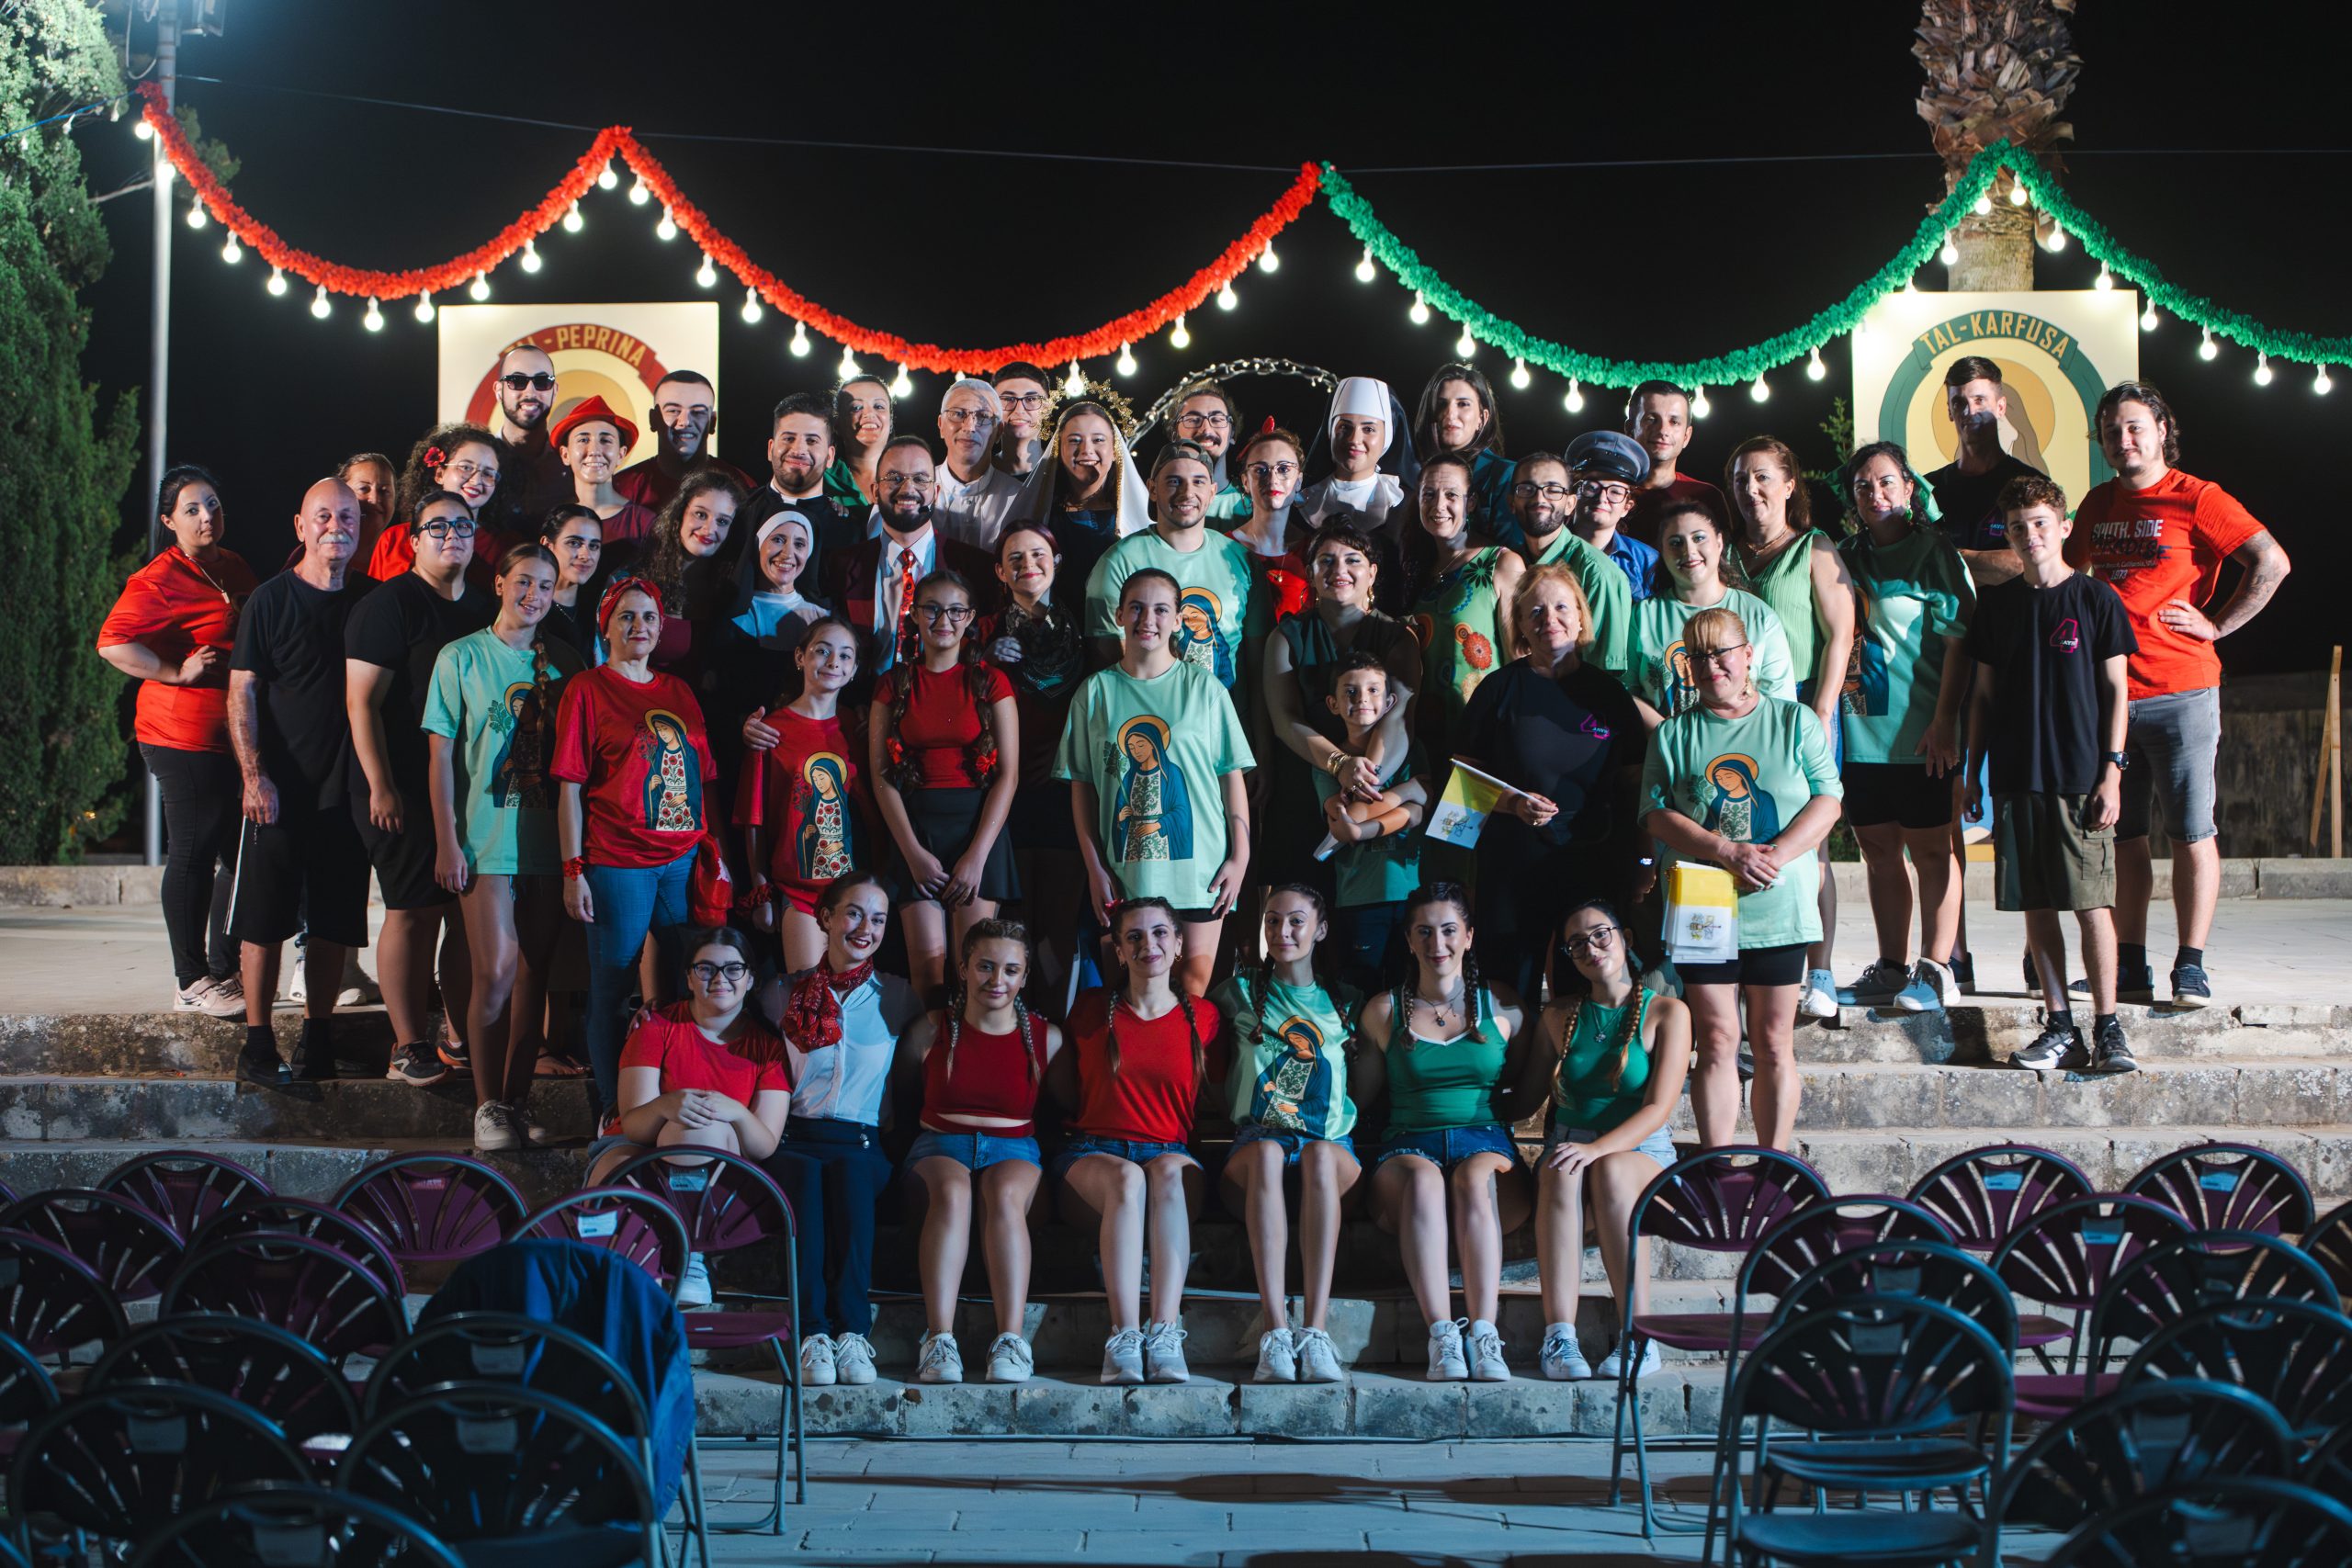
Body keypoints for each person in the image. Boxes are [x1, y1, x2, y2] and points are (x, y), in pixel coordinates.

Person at [2065, 381, 2291, 1009]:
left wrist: (2217, 625)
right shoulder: (2097, 503)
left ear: (2162, 429)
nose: (2123, 440)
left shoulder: (2199, 497)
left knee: (2191, 831)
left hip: (2180, 691)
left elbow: (2271, 563)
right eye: (2111, 431)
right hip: (2110, 696)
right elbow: (2067, 574)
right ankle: (2130, 965)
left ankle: (2190, 964)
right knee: (2123, 835)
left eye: (2135, 427)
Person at [1640, 607, 1841, 1151]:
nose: (1711, 665)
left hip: (1777, 900)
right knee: (1716, 1038)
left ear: (1748, 654)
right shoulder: (1674, 734)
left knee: (1773, 1041)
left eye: (1722, 652)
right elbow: (1655, 814)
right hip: (1703, 903)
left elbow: (1829, 797)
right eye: (1697, 656)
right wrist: (1725, 851)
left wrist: (1774, 856)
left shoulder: (1793, 721)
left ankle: (1775, 1163)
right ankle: (1717, 1164)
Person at [1965, 475, 2139, 1075]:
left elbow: (2117, 692)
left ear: (2064, 527)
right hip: (2016, 777)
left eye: (2040, 523)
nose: (2030, 535)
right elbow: (1983, 697)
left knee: (2091, 905)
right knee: (2036, 906)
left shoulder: (2095, 600)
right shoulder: (1999, 606)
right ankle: (2060, 1024)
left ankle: (2108, 1027)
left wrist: (2112, 772)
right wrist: (1973, 774)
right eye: (2018, 526)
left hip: (2079, 778)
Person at [424, 543, 586, 1149]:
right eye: (523, 582)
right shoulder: (460, 656)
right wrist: (448, 841)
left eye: (545, 585)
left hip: (548, 843)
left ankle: (517, 1104)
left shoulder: (565, 661)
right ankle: (487, 1105)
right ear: (499, 583)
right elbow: (440, 759)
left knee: (532, 976)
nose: (533, 595)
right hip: (484, 841)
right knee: (492, 971)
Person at [225, 479, 376, 1088]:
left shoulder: (371, 601)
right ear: (300, 525)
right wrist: (254, 777)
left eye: (347, 516)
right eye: (323, 516)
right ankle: (258, 1045)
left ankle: (318, 1038)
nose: (336, 526)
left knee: (336, 921)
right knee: (264, 920)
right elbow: (242, 691)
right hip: (279, 791)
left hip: (347, 791)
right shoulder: (269, 600)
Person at [1504, 900, 1692, 1382]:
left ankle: (1639, 1336)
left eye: (1600, 934)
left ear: (1624, 937)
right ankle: (1559, 1338)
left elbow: (1658, 1109)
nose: (1591, 948)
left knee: (1606, 1168)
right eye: (1577, 943)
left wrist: (1597, 1149)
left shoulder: (1668, 1012)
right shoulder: (1558, 1015)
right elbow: (1525, 1100)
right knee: (1560, 1167)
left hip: (1640, 1151)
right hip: (1572, 1147)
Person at [550, 576, 719, 1111]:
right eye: (626, 616)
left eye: (649, 617)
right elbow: (570, 787)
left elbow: (703, 777)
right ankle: (612, 1107)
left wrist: (713, 852)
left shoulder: (679, 691)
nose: (639, 626)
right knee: (613, 987)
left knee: (682, 983)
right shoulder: (588, 688)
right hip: (618, 861)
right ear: (606, 627)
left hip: (681, 859)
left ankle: (669, 1096)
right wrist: (573, 869)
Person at [98, 464, 261, 1016]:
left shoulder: (233, 566)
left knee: (241, 855)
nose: (206, 516)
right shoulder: (157, 580)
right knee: (194, 851)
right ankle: (190, 982)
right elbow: (112, 643)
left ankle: (223, 969)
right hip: (179, 735)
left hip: (233, 735)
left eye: (212, 504)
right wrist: (175, 672)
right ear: (169, 521)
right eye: (191, 509)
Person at [346, 488, 493, 1089]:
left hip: (465, 787)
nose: (452, 535)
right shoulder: (390, 605)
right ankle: (407, 1043)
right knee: (412, 910)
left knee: (463, 914)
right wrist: (380, 785)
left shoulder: (484, 606)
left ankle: (458, 1037)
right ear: (413, 541)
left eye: (463, 526)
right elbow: (361, 703)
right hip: (400, 783)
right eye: (438, 527)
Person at [1047, 896, 1225, 1384]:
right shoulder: (1089, 1009)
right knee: (1126, 1178)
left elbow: (1228, 1092)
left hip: (1171, 1154)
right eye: (1134, 936)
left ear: (1179, 944)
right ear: (1120, 951)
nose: (1150, 944)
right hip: (1094, 1155)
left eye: (1160, 933)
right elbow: (1064, 1088)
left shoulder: (1204, 1017)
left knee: (1164, 1171)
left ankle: (1165, 1333)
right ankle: (1124, 1335)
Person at [1057, 570, 1256, 997]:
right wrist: (1094, 867)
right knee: (1129, 996)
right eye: (1137, 607)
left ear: (1178, 619)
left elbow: (1230, 776)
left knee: (1191, 992)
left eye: (1161, 609)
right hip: (1125, 875)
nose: (1148, 619)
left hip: (1199, 872)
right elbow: (1082, 786)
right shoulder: (1095, 693)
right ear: (1119, 615)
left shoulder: (1205, 689)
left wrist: (1240, 857)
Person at [1360, 881, 1528, 1382]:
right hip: (1409, 1143)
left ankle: (1485, 1336)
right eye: (1424, 931)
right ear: (1408, 940)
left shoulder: (1502, 1004)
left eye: (1450, 930)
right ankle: (1442, 1337)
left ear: (1469, 936)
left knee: (1475, 1178)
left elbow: (1527, 1085)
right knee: (1424, 1179)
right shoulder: (1384, 1009)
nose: (1438, 943)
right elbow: (1360, 1099)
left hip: (1485, 1138)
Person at [1456, 567, 1645, 1004]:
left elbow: (1636, 786)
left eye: (1561, 607)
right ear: (1520, 625)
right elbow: (1461, 780)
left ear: (1580, 617)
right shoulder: (1498, 689)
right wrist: (1513, 803)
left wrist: (1643, 861)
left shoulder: (1609, 694)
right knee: (1507, 983)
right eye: (1535, 611)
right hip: (1513, 859)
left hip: (1594, 858)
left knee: (1588, 987)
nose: (1549, 619)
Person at [1836, 441, 1974, 1014]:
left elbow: (1960, 642)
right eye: (1863, 486)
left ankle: (1937, 969)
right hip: (1859, 731)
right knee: (1878, 852)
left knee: (1933, 853)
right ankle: (1892, 966)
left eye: (1887, 481)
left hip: (1920, 733)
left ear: (1909, 488)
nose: (1876, 494)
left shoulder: (1934, 552)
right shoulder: (1845, 554)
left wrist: (1945, 721)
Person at [772, 872, 925, 1387]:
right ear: (826, 918)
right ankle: (813, 1333)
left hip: (860, 1139)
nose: (865, 928)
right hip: (795, 1135)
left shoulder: (897, 996)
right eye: (854, 914)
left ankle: (853, 1332)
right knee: (803, 1185)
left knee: (853, 1178)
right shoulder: (781, 994)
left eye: (878, 919)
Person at [588, 926, 792, 1309]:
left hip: (714, 1162)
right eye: (706, 969)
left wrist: (735, 1112)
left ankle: (688, 1254)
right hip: (638, 1143)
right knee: (617, 1168)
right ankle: (621, 1268)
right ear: (689, 978)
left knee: (698, 1127)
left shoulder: (767, 1048)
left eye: (733, 969)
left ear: (750, 979)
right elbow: (634, 1126)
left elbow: (763, 1145)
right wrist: (665, 1106)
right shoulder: (657, 1027)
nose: (720, 979)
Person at [898, 919, 1063, 1384]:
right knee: (953, 1192)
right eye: (985, 966)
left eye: (1010, 970)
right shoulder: (932, 1029)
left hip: (1015, 1147)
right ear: (964, 969)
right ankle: (938, 1340)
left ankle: (1011, 1340)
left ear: (1024, 977)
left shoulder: (1047, 1038)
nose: (997, 980)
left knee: (1005, 1195)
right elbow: (903, 1096)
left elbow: (1066, 1106)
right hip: (939, 1144)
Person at [1727, 436, 1856, 1021]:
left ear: (1788, 485)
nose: (1751, 489)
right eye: (1740, 479)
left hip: (1802, 707)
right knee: (1748, 836)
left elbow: (1840, 632)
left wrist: (1823, 708)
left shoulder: (1813, 546)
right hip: (1740, 717)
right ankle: (1750, 969)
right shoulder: (1725, 553)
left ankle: (1820, 972)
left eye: (1762, 477)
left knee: (1811, 844)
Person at [1211, 886, 1363, 1384]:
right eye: (1273, 921)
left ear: (1320, 929)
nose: (1283, 931)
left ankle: (1315, 1332)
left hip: (1330, 1146)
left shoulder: (1346, 1001)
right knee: (1266, 1152)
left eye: (1296, 921)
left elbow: (1363, 1085)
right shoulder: (1239, 991)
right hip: (1257, 1143)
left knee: (1319, 1155)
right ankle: (1276, 1332)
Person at [869, 571, 1021, 1003]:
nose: (943, 620)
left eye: (955, 611)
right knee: (928, 975)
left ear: (969, 617)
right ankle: (932, 1049)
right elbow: (881, 775)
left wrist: (977, 856)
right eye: (932, 609)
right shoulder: (892, 683)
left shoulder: (991, 681)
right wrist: (912, 853)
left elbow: (1008, 775)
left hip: (978, 830)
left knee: (975, 973)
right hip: (916, 830)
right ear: (915, 615)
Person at [1261, 523, 1420, 894]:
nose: (1339, 570)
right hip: (1302, 789)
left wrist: (1360, 788)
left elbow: (1399, 720)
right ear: (1311, 574)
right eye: (1326, 561)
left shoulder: (1398, 637)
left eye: (1353, 560)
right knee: (1297, 905)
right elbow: (1285, 720)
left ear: (1372, 573)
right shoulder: (1285, 637)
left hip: (1374, 795)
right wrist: (1339, 764)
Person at [979, 525, 1090, 1009]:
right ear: (1000, 571)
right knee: (1016, 919)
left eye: (1039, 554)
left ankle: (1052, 1024)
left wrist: (1066, 752)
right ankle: (1012, 1019)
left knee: (1060, 922)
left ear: (1057, 562)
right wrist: (982, 661)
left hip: (1066, 785)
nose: (1029, 565)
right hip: (1007, 789)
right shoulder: (983, 630)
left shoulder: (1085, 627)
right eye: (1016, 558)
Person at [737, 616, 873, 975]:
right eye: (822, 651)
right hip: (798, 889)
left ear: (854, 669)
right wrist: (761, 890)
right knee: (808, 991)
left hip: (853, 890)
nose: (833, 662)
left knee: (850, 994)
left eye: (845, 656)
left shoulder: (858, 727)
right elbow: (753, 818)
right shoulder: (771, 731)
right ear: (801, 657)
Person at [821, 434, 1000, 688]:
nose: (907, 489)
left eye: (920, 479)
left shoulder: (975, 568)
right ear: (875, 491)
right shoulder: (840, 565)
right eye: (894, 478)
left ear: (935, 492)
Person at [1086, 440, 1255, 685]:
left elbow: (1259, 659)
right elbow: (1109, 668)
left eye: (1198, 482)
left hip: (1227, 707)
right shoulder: (1119, 562)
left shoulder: (1239, 558)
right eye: (1174, 481)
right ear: (1153, 489)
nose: (1187, 493)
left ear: (1212, 491)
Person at [1626, 497, 1797, 727]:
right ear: (1662, 552)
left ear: (1719, 542)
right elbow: (1625, 691)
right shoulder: (1642, 617)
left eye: (1699, 538)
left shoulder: (1759, 615)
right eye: (1675, 543)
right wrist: (1668, 735)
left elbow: (1780, 702)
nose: (1689, 550)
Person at [1312, 652, 1427, 990]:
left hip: (1410, 894)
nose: (1362, 698)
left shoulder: (1411, 750)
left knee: (1410, 988)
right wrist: (1406, 792)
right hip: (1358, 898)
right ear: (1333, 703)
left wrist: (1363, 829)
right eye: (1351, 691)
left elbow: (1420, 810)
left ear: (1390, 702)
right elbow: (1344, 820)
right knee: (1361, 989)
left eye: (1373, 690)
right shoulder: (1327, 765)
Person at [1402, 453, 1524, 755]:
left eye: (1451, 495)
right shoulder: (1420, 569)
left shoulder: (1500, 563)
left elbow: (1520, 661)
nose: (1438, 505)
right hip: (1425, 736)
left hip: (1482, 733)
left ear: (1471, 503)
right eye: (1429, 494)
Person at [1015, 400, 1152, 611]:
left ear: (1115, 450)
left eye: (1098, 440)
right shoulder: (1042, 515)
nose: (1086, 450)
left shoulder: (1133, 518)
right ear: (1059, 450)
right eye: (1074, 440)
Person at [1505, 449, 1631, 676]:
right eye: (1527, 489)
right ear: (1511, 502)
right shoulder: (1506, 563)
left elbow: (1603, 674)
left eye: (1553, 490)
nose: (1539, 499)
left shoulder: (1597, 573)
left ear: (1571, 504)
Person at [1921, 356, 2043, 590]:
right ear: (1950, 411)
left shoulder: (2032, 484)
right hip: (1949, 615)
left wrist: (1948, 558)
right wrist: (1990, 565)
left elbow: (2029, 563)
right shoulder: (1929, 490)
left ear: (2000, 407)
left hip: (2014, 613)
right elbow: (1917, 566)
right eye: (1959, 402)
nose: (1969, 411)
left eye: (1979, 400)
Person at [631, 471, 746, 695]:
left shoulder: (732, 589)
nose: (710, 529)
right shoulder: (638, 581)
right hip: (642, 704)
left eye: (722, 521)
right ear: (680, 514)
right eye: (701, 514)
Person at [741, 391, 858, 572]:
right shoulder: (738, 512)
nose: (798, 450)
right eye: (789, 438)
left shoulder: (849, 532)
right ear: (771, 449)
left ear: (830, 457)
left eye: (811, 441)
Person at [373, 423, 504, 581]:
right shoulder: (394, 540)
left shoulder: (503, 547)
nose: (476, 480)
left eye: (488, 473)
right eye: (466, 467)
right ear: (440, 474)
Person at [615, 369, 749, 513]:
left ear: (713, 422)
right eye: (673, 411)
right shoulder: (621, 489)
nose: (685, 422)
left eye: (698, 412)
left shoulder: (742, 486)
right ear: (653, 420)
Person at [1408, 365, 1515, 544]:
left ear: (1482, 418)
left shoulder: (1504, 474)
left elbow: (1511, 550)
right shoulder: (1416, 473)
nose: (1450, 414)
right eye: (1442, 404)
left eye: (1463, 404)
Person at [1622, 380, 1726, 549]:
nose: (1663, 430)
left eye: (1674, 422)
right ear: (1629, 429)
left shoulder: (1707, 497)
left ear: (1686, 436)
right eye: (1651, 419)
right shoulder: (1608, 495)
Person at [1297, 375, 1408, 534]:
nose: (1354, 439)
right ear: (1330, 431)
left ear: (1387, 437)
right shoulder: (1300, 504)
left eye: (1368, 429)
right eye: (1345, 427)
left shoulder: (1406, 508)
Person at [551, 394, 658, 547]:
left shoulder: (643, 523)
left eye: (605, 440)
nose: (594, 450)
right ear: (565, 454)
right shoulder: (555, 522)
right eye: (583, 440)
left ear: (620, 454)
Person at [1568, 433, 1661, 604]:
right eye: (1592, 487)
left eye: (1616, 492)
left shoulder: (1647, 561)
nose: (1602, 498)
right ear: (1574, 494)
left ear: (1627, 506)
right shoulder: (1547, 548)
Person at [932, 378, 1024, 551]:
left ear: (999, 431)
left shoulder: (1019, 498)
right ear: (941, 425)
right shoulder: (916, 490)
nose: (970, 427)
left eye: (983, 416)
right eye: (958, 414)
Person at [489, 343, 569, 526]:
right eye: (517, 381)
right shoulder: (478, 463)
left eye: (542, 382)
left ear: (554, 391)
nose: (530, 392)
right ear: (499, 391)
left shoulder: (571, 464)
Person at [1170, 379, 1250, 523]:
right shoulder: (1161, 500)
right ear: (1174, 435)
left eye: (1217, 419)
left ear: (1232, 434)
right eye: (1193, 420)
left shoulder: (1255, 502)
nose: (1206, 430)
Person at [537, 504, 604, 657]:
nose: (585, 555)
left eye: (594, 546)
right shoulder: (530, 607)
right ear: (547, 545)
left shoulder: (600, 608)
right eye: (574, 543)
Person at [825, 376, 893, 511]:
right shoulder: (819, 478)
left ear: (890, 421)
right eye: (856, 408)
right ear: (837, 424)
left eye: (879, 406)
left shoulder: (909, 477)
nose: (869, 413)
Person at [990, 362, 1052, 479]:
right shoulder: (975, 475)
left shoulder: (1066, 473)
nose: (1019, 410)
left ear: (1047, 408)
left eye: (1031, 399)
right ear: (992, 407)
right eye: (1008, 399)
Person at [337, 451, 398, 569]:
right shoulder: (320, 555)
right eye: (363, 489)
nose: (374, 499)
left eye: (384, 491)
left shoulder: (409, 558)